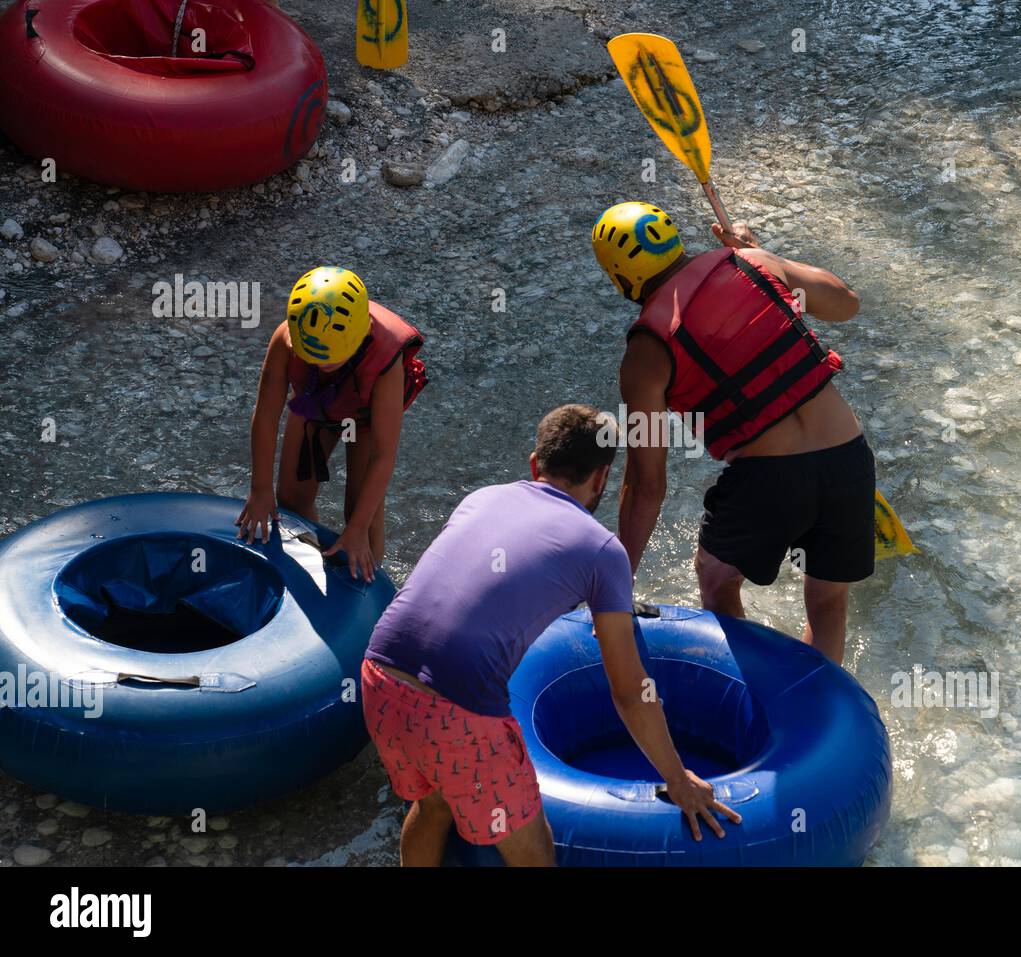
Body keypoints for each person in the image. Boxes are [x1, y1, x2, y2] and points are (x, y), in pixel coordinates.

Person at [361, 404, 740, 866]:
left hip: (378, 676)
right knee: (534, 853)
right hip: (457, 713)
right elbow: (628, 691)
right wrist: (678, 779)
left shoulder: (482, 497)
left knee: (434, 802)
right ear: (601, 479)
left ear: (534, 463)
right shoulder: (602, 550)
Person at [593, 201, 870, 665]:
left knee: (718, 579)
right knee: (826, 601)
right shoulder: (753, 264)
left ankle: (756, 696)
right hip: (849, 456)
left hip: (769, 480)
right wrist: (762, 252)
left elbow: (646, 485)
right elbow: (847, 302)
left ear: (621, 278)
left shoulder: (646, 351)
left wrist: (616, 587)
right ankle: (817, 714)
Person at [236, 266, 426, 581]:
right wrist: (259, 489)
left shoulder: (385, 358)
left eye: (330, 359)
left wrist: (356, 528)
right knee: (291, 500)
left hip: (364, 417)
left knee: (360, 516)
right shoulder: (287, 339)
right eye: (312, 358)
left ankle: (369, 585)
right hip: (315, 402)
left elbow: (383, 454)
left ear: (360, 337)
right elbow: (267, 415)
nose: (322, 365)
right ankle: (310, 566)